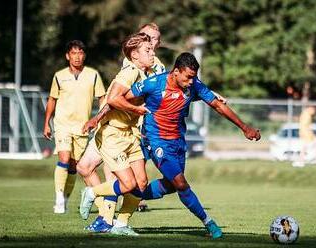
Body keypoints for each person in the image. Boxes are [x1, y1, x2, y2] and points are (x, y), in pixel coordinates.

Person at [109, 52, 261, 238]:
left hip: (178, 142)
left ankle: (122, 191)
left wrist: (244, 127)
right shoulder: (154, 83)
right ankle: (209, 222)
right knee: (181, 183)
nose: (191, 81)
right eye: (188, 77)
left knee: (172, 185)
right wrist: (115, 116)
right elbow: (121, 97)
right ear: (176, 72)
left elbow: (217, 105)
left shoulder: (194, 85)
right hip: (156, 141)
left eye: (194, 77)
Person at [79, 32, 156, 235]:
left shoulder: (147, 73)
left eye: (152, 48)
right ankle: (92, 193)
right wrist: (137, 110)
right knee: (127, 183)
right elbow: (113, 99)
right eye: (147, 50)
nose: (153, 52)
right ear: (134, 55)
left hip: (131, 135)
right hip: (113, 135)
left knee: (141, 183)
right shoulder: (129, 72)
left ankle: (121, 224)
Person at [43, 40, 106, 214]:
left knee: (73, 166)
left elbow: (102, 98)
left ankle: (65, 200)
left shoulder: (93, 75)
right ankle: (58, 199)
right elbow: (52, 99)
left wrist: (98, 119)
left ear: (84, 55)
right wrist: (46, 122)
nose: (77, 57)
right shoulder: (59, 76)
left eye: (80, 53)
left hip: (82, 128)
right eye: (73, 53)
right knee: (64, 159)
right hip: (62, 124)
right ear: (67, 56)